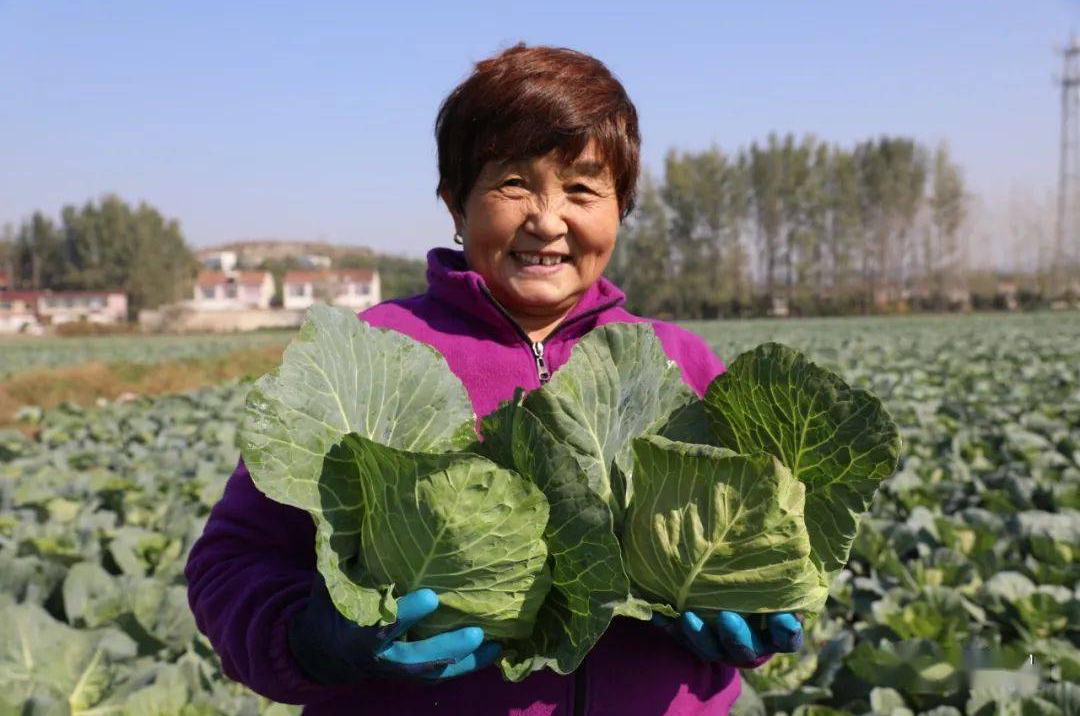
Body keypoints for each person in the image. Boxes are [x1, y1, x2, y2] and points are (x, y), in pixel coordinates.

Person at [185, 43, 804, 716]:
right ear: (456, 202)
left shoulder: (681, 364)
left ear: (620, 207)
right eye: (513, 183)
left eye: (582, 188)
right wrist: (313, 642)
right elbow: (231, 563)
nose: (546, 218)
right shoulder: (369, 357)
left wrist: (754, 613)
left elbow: (764, 537)